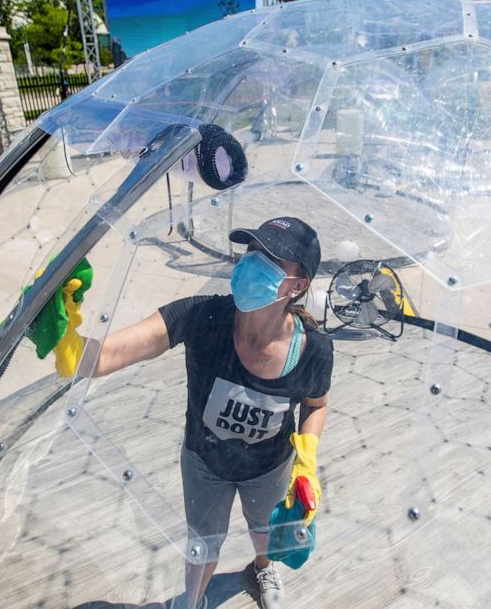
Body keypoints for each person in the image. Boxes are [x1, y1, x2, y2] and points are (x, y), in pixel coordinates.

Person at [80, 216, 334, 609]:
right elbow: (105, 356)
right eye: (253, 250)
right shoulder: (203, 316)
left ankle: (261, 567)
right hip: (204, 463)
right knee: (202, 545)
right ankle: (192, 602)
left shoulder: (314, 349)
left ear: (298, 286)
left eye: (272, 257)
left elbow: (315, 404)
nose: (253, 261)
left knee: (264, 533)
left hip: (269, 466)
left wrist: (307, 458)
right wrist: (64, 338)